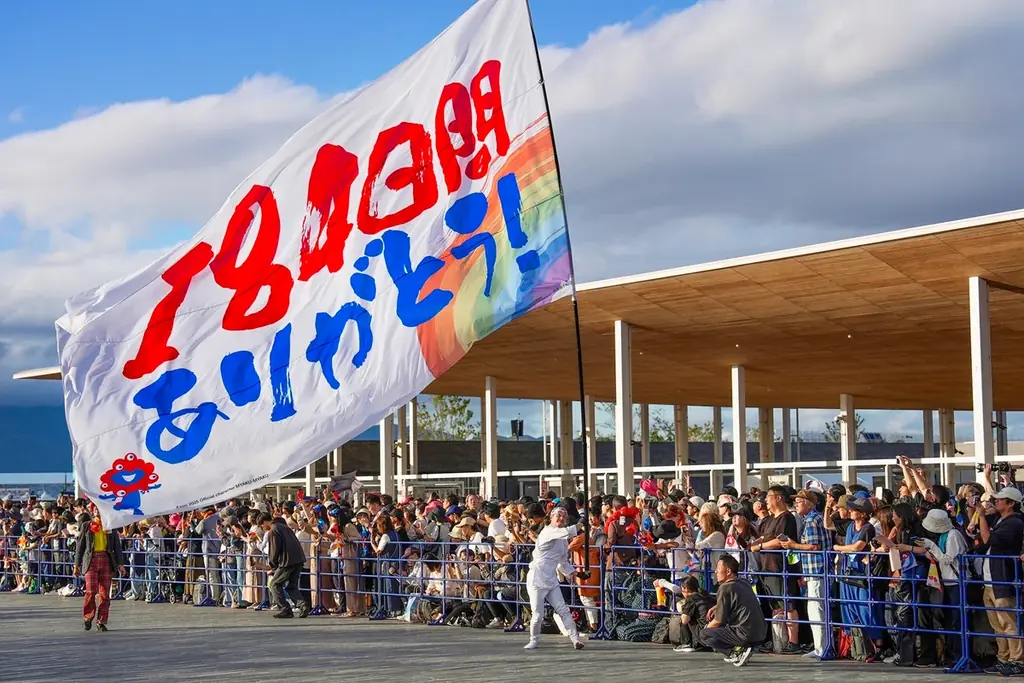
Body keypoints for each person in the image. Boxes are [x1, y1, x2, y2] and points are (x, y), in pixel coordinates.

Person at [524, 507, 584, 650]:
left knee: (563, 610)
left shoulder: (562, 540)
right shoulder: (548, 531)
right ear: (551, 517)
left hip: (551, 579)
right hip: (537, 577)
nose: (561, 519)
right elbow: (569, 531)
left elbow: (562, 563)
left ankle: (575, 639)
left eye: (564, 517)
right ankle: (534, 640)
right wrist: (581, 523)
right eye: (558, 516)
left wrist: (576, 573)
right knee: (538, 614)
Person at [700, 554, 767, 667]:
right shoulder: (744, 583)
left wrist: (707, 628)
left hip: (745, 633)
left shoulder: (724, 588)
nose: (716, 571)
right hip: (761, 632)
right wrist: (717, 606)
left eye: (719, 568)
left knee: (705, 634)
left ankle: (735, 652)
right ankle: (742, 649)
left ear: (728, 571)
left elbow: (718, 620)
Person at [72, 507, 127, 632]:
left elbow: (117, 547)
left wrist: (120, 564)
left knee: (105, 594)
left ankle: (101, 621)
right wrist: (76, 565)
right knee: (91, 591)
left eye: (100, 508)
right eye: (95, 509)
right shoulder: (87, 525)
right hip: (91, 560)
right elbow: (80, 547)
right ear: (93, 511)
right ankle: (88, 617)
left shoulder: (110, 526)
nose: (98, 511)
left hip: (106, 559)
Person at [259, 515, 309, 619]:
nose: (262, 528)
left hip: (287, 562)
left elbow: (274, 549)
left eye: (262, 525)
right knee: (291, 586)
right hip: (298, 559)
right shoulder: (285, 527)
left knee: (274, 584)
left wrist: (272, 565)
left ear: (265, 522)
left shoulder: (273, 531)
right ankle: (302, 605)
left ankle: (285, 608)